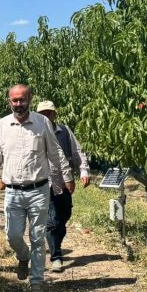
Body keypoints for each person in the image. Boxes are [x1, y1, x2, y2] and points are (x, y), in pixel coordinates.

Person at [0, 85, 73, 292]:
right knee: (12, 235)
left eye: (22, 100)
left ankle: (37, 281)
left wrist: (64, 178)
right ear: (9, 101)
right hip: (13, 191)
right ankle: (23, 256)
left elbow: (54, 153)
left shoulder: (42, 123)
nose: (18, 104)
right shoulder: (2, 125)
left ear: (29, 99)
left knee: (37, 237)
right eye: (14, 100)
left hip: (39, 189)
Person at [36, 100, 91, 272]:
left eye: (49, 113)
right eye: (42, 113)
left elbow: (78, 152)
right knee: (52, 220)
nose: (46, 116)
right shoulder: (34, 133)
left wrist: (83, 171)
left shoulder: (65, 132)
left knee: (64, 215)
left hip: (64, 182)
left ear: (54, 114)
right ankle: (56, 257)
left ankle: (55, 243)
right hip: (44, 182)